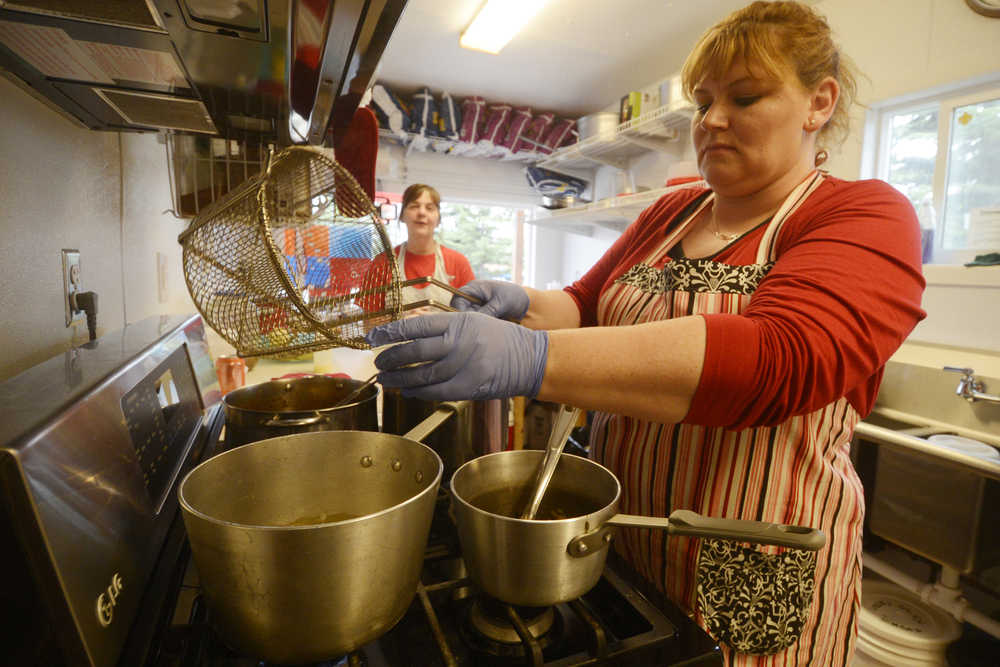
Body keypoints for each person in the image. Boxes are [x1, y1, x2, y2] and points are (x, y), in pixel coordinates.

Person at [365, 2, 926, 665]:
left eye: (744, 96)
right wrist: (521, 305)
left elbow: (778, 361)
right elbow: (585, 303)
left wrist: (532, 355)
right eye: (703, 100)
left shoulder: (862, 215)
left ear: (818, 102)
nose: (712, 119)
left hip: (751, 564)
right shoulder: (671, 210)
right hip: (622, 548)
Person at [359, 183, 475, 316]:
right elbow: (368, 324)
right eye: (414, 206)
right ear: (402, 216)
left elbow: (470, 320)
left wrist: (437, 322)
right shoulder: (382, 263)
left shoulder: (458, 263)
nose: (421, 212)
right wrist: (402, 324)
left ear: (438, 219)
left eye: (429, 208)